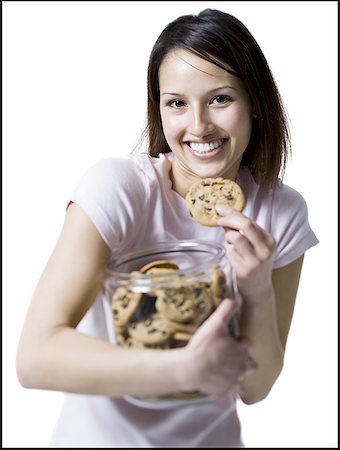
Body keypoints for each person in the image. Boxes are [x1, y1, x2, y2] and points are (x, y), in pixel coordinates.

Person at [16, 8, 319, 448]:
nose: (198, 126)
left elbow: (256, 389)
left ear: (255, 104)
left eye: (220, 98)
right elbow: (35, 358)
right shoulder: (118, 189)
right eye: (177, 103)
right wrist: (183, 369)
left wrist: (257, 289)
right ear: (158, 110)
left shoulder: (280, 212)